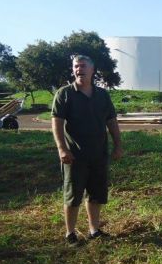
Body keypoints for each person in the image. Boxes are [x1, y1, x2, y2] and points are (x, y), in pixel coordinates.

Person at [51, 55, 123, 245]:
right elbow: (56, 123)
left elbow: (111, 121)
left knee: (96, 194)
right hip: (75, 155)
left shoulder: (102, 95)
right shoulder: (64, 94)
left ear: (92, 70)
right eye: (76, 66)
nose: (79, 69)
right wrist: (62, 148)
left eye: (83, 66)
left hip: (99, 154)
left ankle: (94, 230)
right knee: (73, 195)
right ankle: (70, 233)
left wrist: (118, 145)